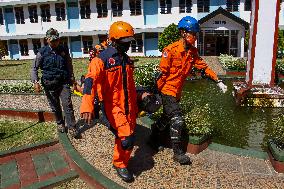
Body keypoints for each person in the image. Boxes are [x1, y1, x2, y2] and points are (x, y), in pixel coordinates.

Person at [149, 16, 228, 165]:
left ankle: (153, 137)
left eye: (196, 34)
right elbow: (162, 73)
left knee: (166, 118)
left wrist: (218, 80)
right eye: (193, 34)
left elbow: (203, 67)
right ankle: (178, 153)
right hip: (167, 90)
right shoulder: (170, 50)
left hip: (177, 92)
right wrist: (156, 92)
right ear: (184, 33)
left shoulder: (192, 52)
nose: (196, 37)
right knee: (177, 120)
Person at [80, 21, 138, 182]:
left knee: (129, 137)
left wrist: (139, 100)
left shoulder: (127, 60)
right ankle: (119, 164)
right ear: (113, 40)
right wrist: (87, 105)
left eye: (129, 42)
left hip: (129, 106)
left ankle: (121, 161)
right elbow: (90, 81)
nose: (127, 46)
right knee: (126, 138)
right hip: (113, 106)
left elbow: (129, 86)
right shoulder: (101, 60)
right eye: (123, 42)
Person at [31, 28, 78, 137]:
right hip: (49, 83)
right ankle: (60, 123)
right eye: (52, 40)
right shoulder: (41, 53)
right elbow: (34, 68)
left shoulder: (64, 50)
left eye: (56, 40)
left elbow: (69, 66)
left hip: (63, 82)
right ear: (47, 40)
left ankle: (72, 127)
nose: (54, 42)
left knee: (67, 104)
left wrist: (73, 79)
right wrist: (35, 82)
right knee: (55, 106)